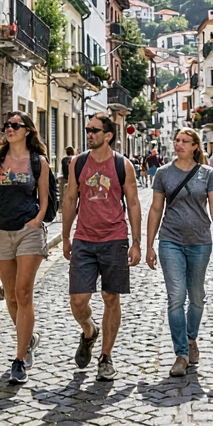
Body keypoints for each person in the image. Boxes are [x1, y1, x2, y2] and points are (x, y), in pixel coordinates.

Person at [0, 112, 51, 385]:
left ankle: (19, 359)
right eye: (6, 125)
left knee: (23, 292)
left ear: (27, 130)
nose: (9, 129)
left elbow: (45, 199)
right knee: (11, 296)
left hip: (28, 231)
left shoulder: (38, 162)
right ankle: (29, 338)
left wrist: (38, 219)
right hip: (1, 231)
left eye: (15, 125)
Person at [63, 112, 142, 381]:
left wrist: (137, 242)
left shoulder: (123, 165)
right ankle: (89, 331)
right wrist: (65, 236)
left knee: (111, 297)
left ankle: (106, 357)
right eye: (87, 130)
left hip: (114, 238)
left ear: (108, 135)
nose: (89, 134)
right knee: (78, 300)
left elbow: (132, 202)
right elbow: (70, 198)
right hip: (84, 239)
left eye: (94, 130)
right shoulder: (78, 163)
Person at [146, 128, 213, 377]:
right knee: (176, 297)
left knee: (196, 297)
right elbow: (155, 209)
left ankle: (191, 338)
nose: (178, 144)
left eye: (184, 141)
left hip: (200, 242)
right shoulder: (163, 173)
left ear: (195, 146)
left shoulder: (207, 174)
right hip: (170, 240)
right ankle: (181, 353)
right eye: (177, 140)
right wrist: (149, 244)